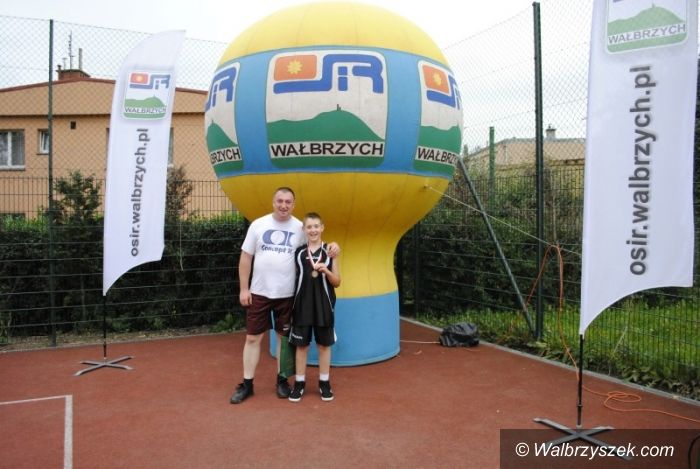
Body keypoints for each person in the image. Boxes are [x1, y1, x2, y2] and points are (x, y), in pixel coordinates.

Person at [230, 187, 338, 404]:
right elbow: (246, 258)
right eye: (280, 201)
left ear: (293, 205)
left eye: (288, 202)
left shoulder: (300, 227)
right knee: (252, 338)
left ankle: (282, 381)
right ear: (273, 202)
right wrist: (244, 288)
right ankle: (247, 384)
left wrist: (334, 247)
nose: (283, 205)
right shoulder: (258, 225)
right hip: (259, 292)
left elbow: (317, 244)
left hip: (288, 294)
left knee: (283, 339)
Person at [288, 212, 341, 402]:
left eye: (316, 226)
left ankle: (324, 382)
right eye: (309, 227)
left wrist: (326, 270)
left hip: (324, 306)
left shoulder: (331, 252)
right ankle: (299, 383)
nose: (313, 230)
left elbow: (337, 282)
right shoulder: (299, 253)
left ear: (322, 227)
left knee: (323, 346)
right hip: (301, 306)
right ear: (304, 229)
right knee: (301, 346)